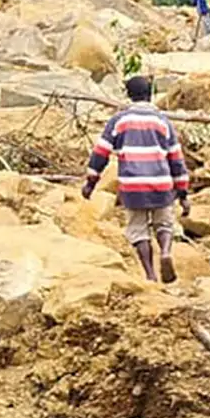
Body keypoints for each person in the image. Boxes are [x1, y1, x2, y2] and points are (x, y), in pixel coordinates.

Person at [82, 76, 190, 284]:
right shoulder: (162, 122)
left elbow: (101, 153)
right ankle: (166, 251)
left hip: (132, 185)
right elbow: (176, 158)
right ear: (150, 95)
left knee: (138, 229)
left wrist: (91, 182)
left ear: (128, 95)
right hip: (161, 183)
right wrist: (183, 193)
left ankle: (150, 274)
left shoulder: (119, 121)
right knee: (165, 223)